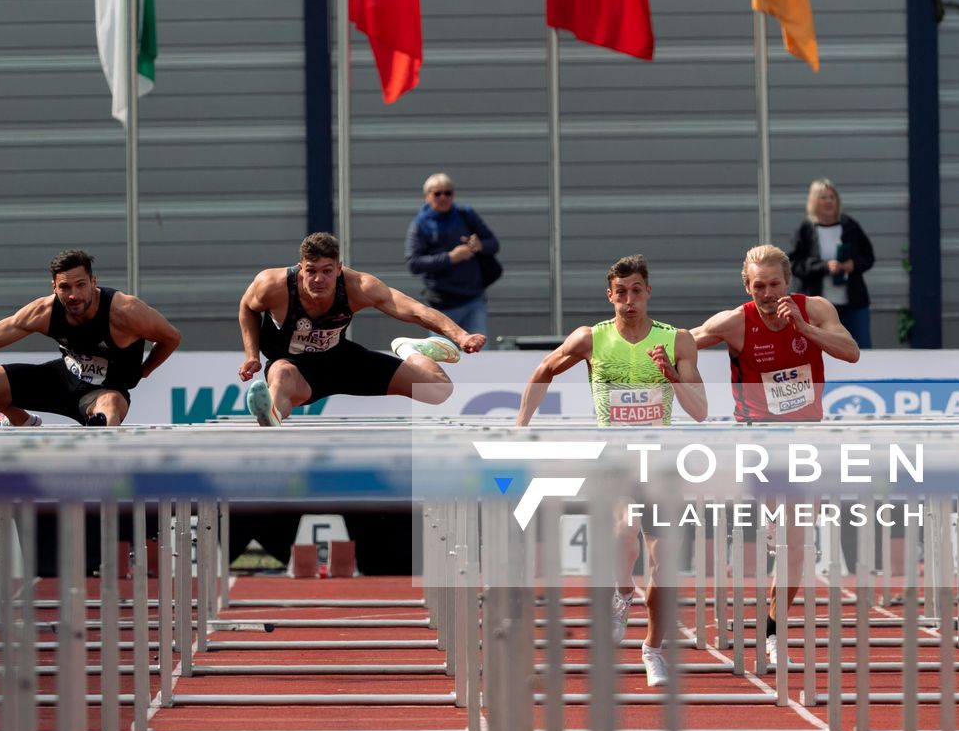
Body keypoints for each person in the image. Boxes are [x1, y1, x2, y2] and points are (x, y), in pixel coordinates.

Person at [517, 255, 708, 687]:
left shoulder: (677, 340)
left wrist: (670, 374)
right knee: (623, 536)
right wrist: (519, 429)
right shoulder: (591, 338)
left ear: (648, 293)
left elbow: (700, 412)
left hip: (660, 462)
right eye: (620, 292)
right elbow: (543, 371)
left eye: (636, 290)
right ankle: (622, 592)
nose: (629, 300)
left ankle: (652, 649)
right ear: (610, 296)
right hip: (613, 461)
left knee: (664, 562)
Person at [692, 244, 860, 669]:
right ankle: (772, 532)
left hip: (805, 438)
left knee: (797, 549)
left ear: (788, 283)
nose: (767, 294)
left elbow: (850, 351)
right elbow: (685, 342)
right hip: (757, 441)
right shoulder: (735, 322)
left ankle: (772, 625)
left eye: (774, 285)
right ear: (747, 287)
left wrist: (804, 329)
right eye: (758, 286)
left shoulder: (814, 309)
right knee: (784, 537)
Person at [237, 232, 486, 428]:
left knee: (439, 391)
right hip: (294, 367)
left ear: (339, 268)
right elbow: (247, 307)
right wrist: (252, 356)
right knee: (281, 376)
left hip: (342, 361)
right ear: (300, 267)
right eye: (311, 271)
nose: (318, 279)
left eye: (327, 271)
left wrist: (460, 336)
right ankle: (270, 415)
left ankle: (411, 350)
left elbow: (415, 309)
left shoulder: (359, 286)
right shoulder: (272, 285)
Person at [0, 250, 181, 427]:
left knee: (108, 413)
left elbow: (171, 338)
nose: (73, 295)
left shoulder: (125, 311)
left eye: (80, 285)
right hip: (62, 379)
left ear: (93, 282)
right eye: (65, 287)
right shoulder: (44, 311)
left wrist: (143, 371)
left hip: (105, 392)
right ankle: (25, 423)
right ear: (54, 287)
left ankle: (95, 470)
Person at [404, 173, 500, 337]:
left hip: (473, 299)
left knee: (480, 354)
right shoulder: (420, 224)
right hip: (442, 305)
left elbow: (493, 244)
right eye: (437, 193)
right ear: (427, 196)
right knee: (442, 353)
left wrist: (479, 245)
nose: (443, 197)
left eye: (448, 193)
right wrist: (450, 257)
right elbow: (414, 263)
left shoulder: (466, 214)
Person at [786, 179, 876, 348]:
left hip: (853, 304)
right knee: (819, 350)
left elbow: (868, 256)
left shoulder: (850, 226)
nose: (829, 201)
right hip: (818, 307)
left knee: (860, 348)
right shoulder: (806, 229)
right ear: (814, 202)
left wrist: (853, 265)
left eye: (832, 197)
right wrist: (824, 267)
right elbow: (794, 264)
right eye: (823, 197)